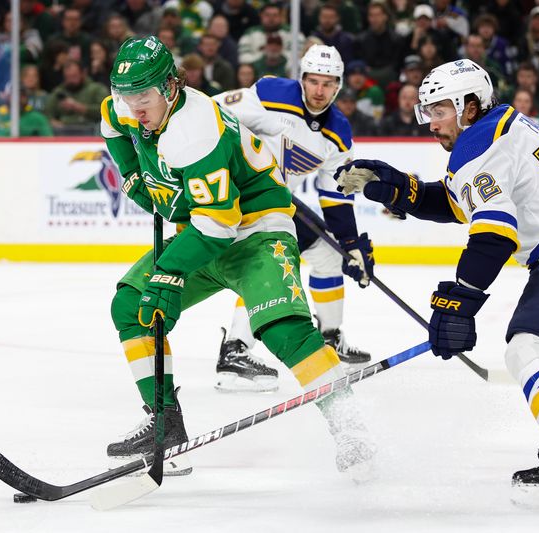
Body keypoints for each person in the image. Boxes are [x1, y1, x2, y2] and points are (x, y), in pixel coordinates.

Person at [334, 59, 539, 510]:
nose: (431, 122)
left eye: (440, 110)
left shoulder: (477, 146)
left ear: (468, 106)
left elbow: (494, 231)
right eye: (426, 111)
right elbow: (459, 200)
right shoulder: (496, 128)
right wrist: (398, 188)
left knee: (530, 348)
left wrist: (461, 300)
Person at [100, 36, 376, 481]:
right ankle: (165, 424)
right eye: (125, 96)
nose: (133, 109)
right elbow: (113, 126)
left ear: (171, 87)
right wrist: (134, 174)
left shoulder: (195, 129)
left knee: (284, 330)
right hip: (203, 227)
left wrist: (169, 274)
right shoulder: (126, 106)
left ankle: (351, 431)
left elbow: (219, 224)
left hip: (255, 231)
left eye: (143, 98)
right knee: (129, 306)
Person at [212, 44, 375, 392]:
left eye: (328, 83)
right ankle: (235, 350)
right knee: (265, 261)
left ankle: (330, 339)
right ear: (301, 78)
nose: (319, 91)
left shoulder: (338, 133)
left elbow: (335, 193)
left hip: (276, 201)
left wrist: (351, 245)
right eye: (313, 81)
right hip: (235, 195)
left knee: (329, 256)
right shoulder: (271, 94)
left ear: (339, 85)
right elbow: (210, 113)